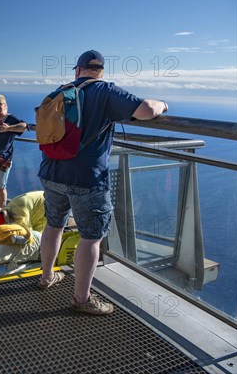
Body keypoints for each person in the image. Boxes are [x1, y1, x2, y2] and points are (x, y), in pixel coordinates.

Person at [38, 50, 169, 315]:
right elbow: (146, 110)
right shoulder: (106, 91)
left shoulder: (61, 91)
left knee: (54, 226)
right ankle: (81, 298)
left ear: (77, 70)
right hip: (87, 178)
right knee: (90, 238)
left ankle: (46, 278)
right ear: (101, 71)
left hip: (52, 172)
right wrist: (163, 104)